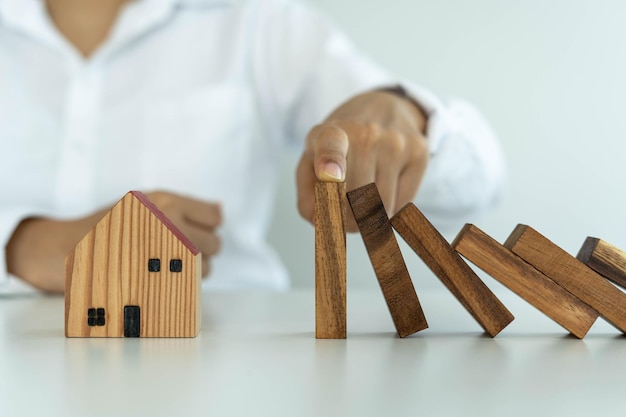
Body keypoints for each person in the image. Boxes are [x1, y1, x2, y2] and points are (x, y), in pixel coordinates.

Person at [0, 0, 506, 294]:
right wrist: (18, 246)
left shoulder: (259, 19)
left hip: (225, 363)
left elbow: (480, 180)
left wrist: (404, 118)